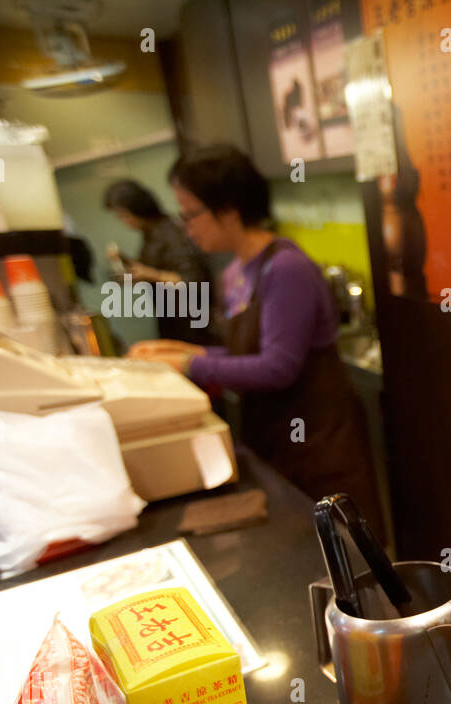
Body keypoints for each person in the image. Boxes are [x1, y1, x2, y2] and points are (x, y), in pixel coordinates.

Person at [126, 144, 388, 535]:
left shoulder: (285, 268)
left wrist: (188, 363)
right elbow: (245, 353)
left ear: (229, 210)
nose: (187, 227)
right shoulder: (235, 272)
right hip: (276, 437)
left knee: (341, 553)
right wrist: (186, 350)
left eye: (191, 214)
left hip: (317, 442)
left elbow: (278, 366)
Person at [102, 179, 215, 345]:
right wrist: (125, 261)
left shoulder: (170, 233)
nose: (124, 222)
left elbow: (194, 281)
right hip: (173, 320)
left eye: (124, 215)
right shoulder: (150, 234)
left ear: (137, 208)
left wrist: (153, 275)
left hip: (193, 324)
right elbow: (151, 267)